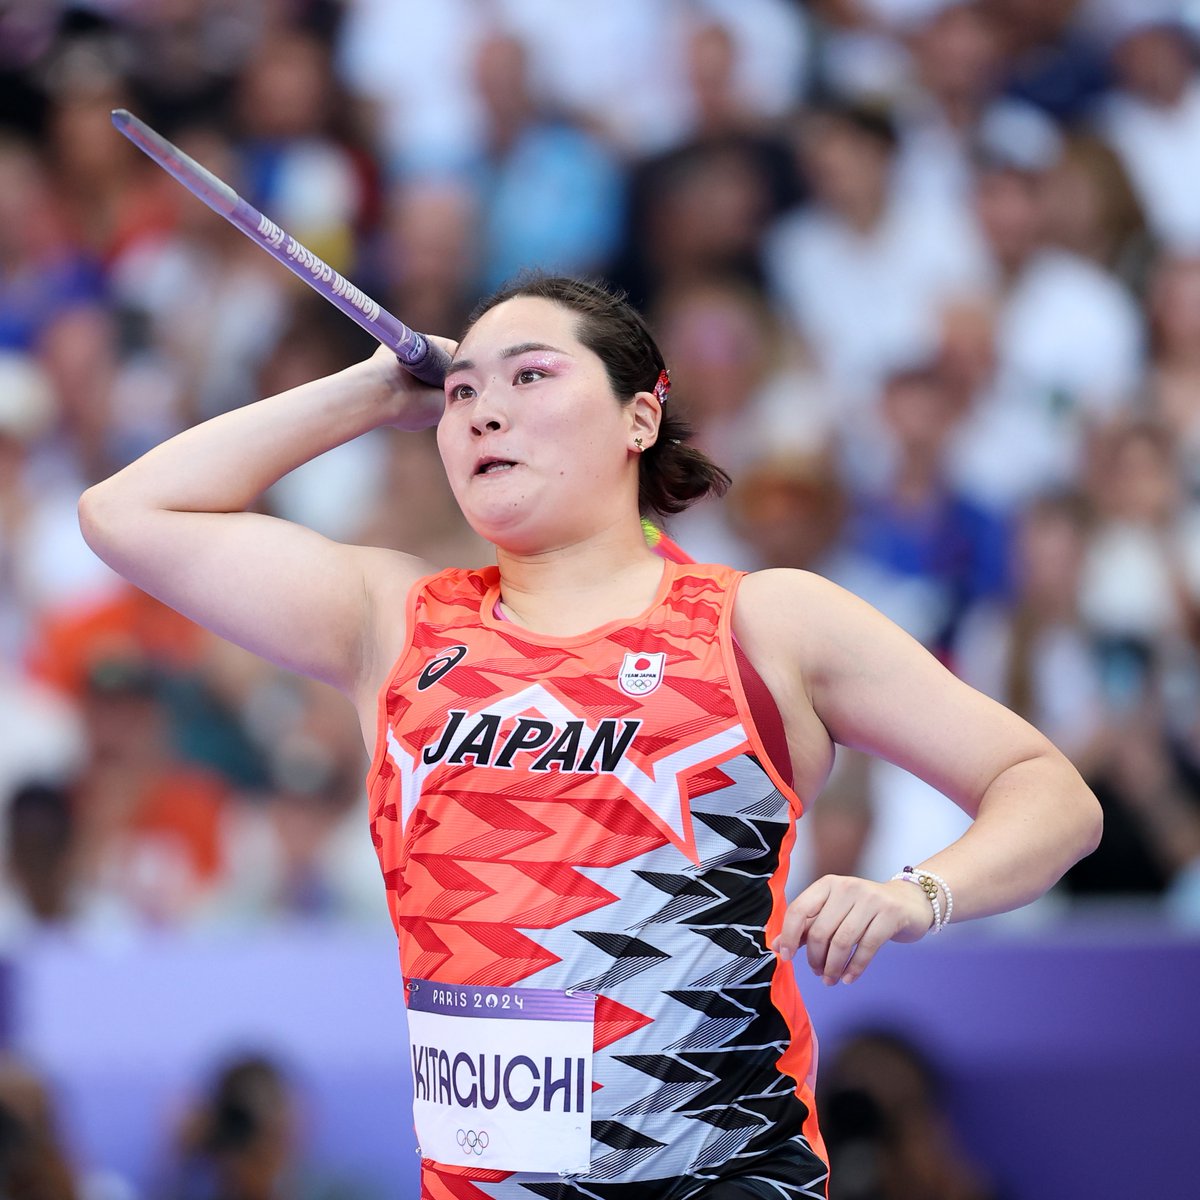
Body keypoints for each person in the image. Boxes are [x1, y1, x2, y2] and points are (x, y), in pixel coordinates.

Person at [78, 274, 1101, 1198]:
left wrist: (912, 894)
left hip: (722, 1177)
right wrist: (375, 389)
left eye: (530, 377)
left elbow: (1047, 791)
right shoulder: (391, 620)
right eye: (466, 391)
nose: (486, 411)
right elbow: (127, 513)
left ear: (639, 416)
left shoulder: (764, 623)